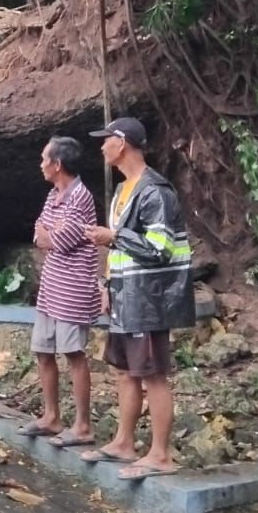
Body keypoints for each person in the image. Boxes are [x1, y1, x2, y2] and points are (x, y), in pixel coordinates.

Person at [79, 117, 195, 480]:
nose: (102, 147)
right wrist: (105, 285)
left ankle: (160, 454)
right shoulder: (122, 190)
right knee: (126, 372)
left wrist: (114, 237)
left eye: (106, 140)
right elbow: (118, 247)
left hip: (148, 298)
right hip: (124, 294)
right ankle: (123, 442)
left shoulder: (155, 191)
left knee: (153, 374)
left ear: (122, 143)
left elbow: (159, 248)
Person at [21, 137, 101, 449]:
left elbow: (59, 240)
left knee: (73, 353)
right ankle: (51, 416)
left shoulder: (80, 197)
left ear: (57, 164)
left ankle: (82, 426)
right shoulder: (53, 194)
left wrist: (49, 235)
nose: (40, 164)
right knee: (43, 350)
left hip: (73, 287)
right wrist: (49, 235)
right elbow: (38, 232)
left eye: (44, 159)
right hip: (52, 285)